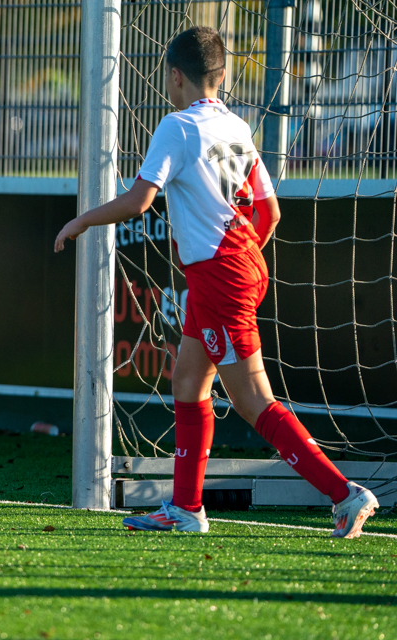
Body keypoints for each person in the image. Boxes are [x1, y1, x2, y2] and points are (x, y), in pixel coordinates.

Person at [54, 27, 377, 538]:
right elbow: (269, 211)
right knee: (187, 381)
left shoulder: (177, 127)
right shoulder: (236, 127)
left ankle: (344, 493)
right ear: (222, 77)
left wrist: (80, 220)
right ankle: (186, 509)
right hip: (235, 267)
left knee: (253, 400)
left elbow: (139, 201)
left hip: (220, 276)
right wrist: (240, 255)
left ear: (175, 76)